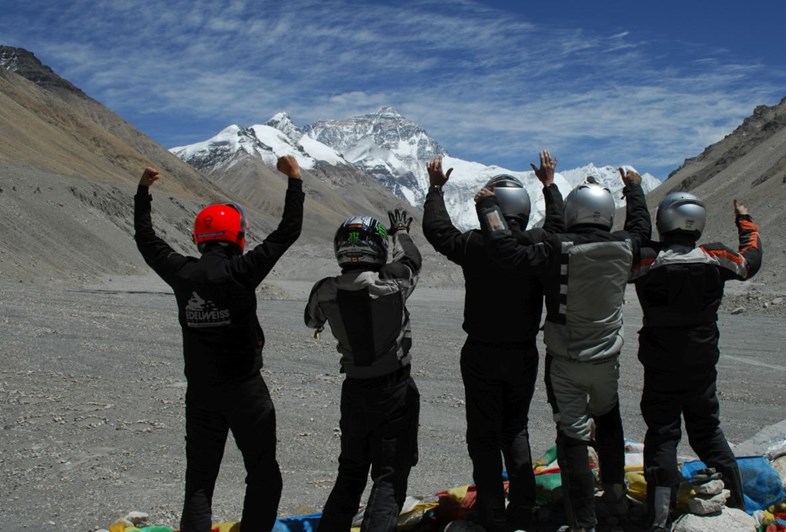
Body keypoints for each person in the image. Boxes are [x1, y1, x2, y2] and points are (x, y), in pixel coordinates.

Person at [133, 155, 304, 532]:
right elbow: (287, 231)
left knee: (200, 478)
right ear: (238, 236)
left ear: (200, 236)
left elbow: (147, 242)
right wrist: (294, 181)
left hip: (201, 393)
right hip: (246, 393)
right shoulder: (242, 271)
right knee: (262, 472)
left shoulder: (183, 272)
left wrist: (143, 192)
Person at [475, 169, 651, 532]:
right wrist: (634, 190)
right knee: (608, 421)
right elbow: (641, 229)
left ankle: (582, 521)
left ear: (574, 213)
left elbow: (506, 249)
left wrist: (489, 207)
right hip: (607, 360)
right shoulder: (626, 246)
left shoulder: (558, 249)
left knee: (572, 439)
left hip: (566, 363)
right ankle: (615, 493)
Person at [422, 152, 565, 531]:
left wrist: (436, 189)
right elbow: (557, 224)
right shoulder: (539, 245)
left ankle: (492, 512)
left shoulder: (474, 246)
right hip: (522, 354)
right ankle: (523, 510)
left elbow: (438, 230)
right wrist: (550, 185)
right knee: (515, 430)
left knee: (483, 436)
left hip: (481, 353)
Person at [629, 193, 762, 531]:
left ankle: (658, 518)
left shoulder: (647, 260)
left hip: (660, 362)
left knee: (662, 433)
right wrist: (744, 221)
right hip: (701, 361)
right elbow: (750, 260)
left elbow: (625, 252)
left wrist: (635, 198)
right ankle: (737, 506)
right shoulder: (715, 256)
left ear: (666, 220)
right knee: (706, 430)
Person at [304, 209, 422, 531]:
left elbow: (312, 320)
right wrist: (400, 231)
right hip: (393, 390)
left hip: (355, 390)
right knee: (389, 475)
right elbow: (412, 258)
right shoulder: (393, 281)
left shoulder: (325, 290)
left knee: (351, 471)